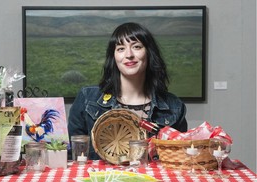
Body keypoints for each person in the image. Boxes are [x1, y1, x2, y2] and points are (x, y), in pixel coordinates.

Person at [68, 22, 187, 159]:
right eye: (120, 48)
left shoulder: (174, 107)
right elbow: (73, 155)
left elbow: (178, 160)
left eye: (136, 47)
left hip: (152, 180)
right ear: (114, 56)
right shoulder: (87, 98)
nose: (129, 54)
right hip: (100, 179)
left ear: (149, 52)